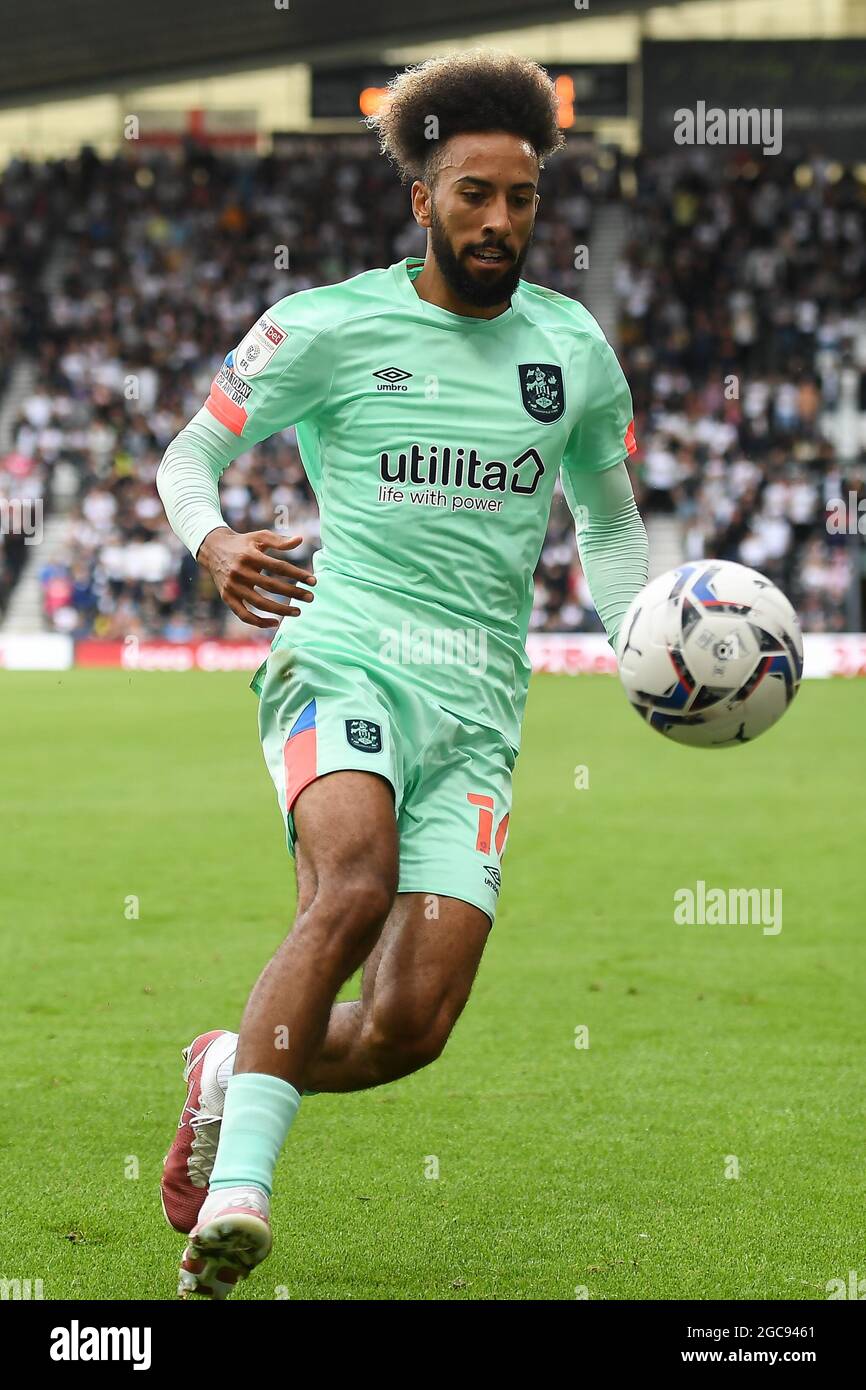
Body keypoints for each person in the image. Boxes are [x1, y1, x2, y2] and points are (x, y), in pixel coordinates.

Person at [156, 50, 649, 1300]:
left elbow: (604, 518)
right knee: (354, 880)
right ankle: (240, 1195)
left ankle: (226, 1070)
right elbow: (186, 459)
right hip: (344, 652)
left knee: (404, 1031)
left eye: (522, 198)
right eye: (474, 193)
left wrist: (638, 632)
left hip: (479, 709)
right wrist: (214, 541)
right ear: (420, 200)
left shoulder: (572, 350)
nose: (500, 220)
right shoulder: (323, 325)